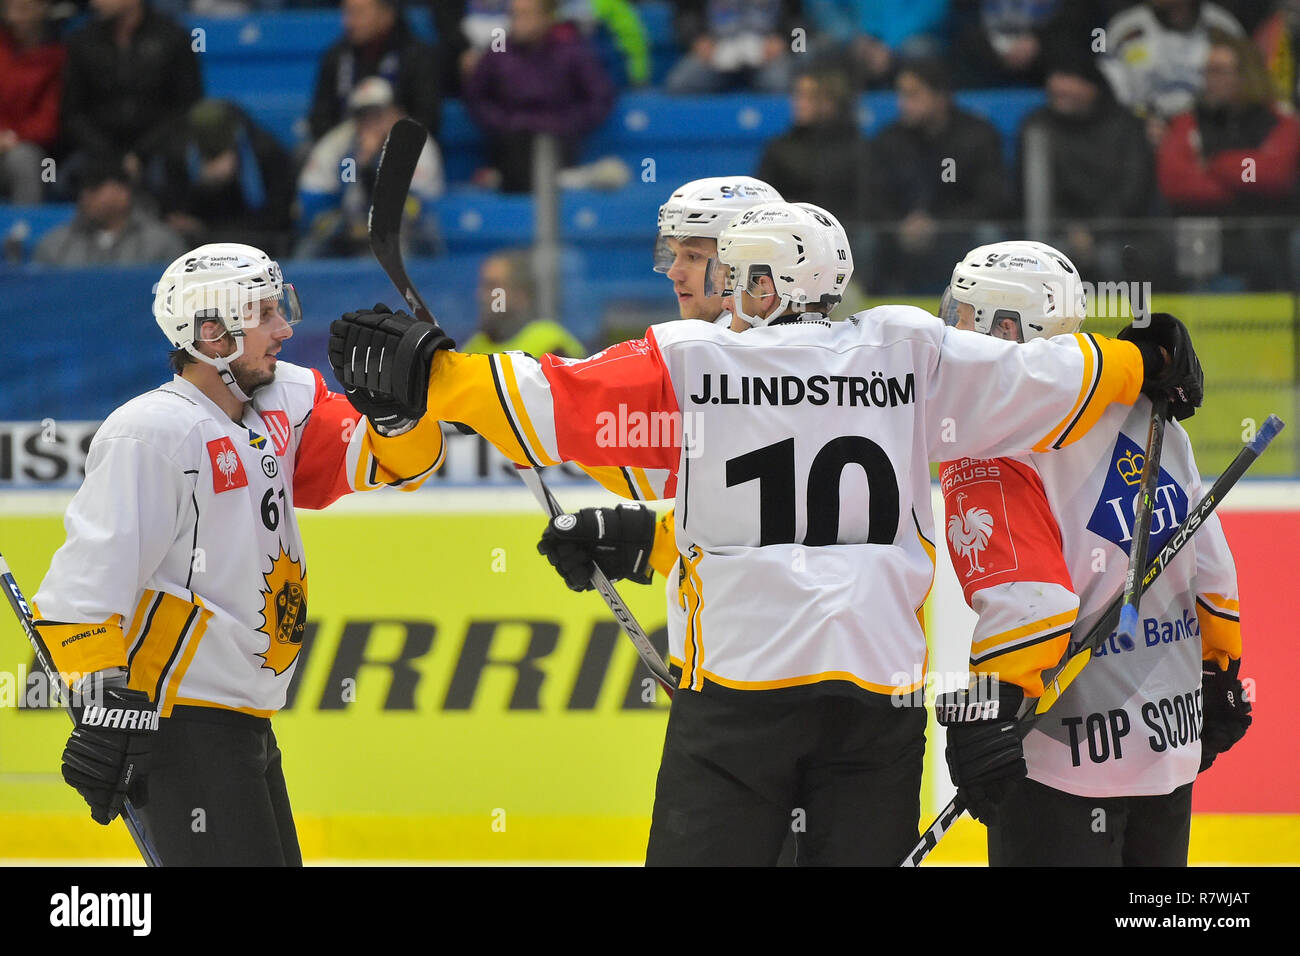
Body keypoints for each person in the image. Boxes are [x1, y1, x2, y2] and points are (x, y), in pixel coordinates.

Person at [327, 202, 1206, 865]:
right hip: (878, 702)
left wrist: (434, 373)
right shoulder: (908, 350)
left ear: (766, 284)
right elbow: (1052, 375)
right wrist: (1149, 356)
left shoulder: (693, 360)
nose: (726, 294)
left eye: (738, 276)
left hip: (740, 699)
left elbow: (547, 397)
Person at [30, 243, 446, 865]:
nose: (285, 328)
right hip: (178, 721)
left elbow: (394, 467)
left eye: (283, 308)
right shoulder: (153, 432)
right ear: (210, 332)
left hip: (242, 717)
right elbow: (83, 588)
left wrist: (400, 414)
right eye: (264, 314)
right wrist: (104, 704)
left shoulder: (279, 403)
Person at [936, 240, 1250, 865]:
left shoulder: (990, 437)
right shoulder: (1150, 411)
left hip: (1061, 759)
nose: (952, 334)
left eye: (965, 316)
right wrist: (1223, 672)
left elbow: (1033, 605)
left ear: (1007, 327)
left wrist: (987, 708)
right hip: (1166, 745)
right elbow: (1212, 570)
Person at [1156, 29, 1300, 288]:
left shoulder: (1281, 121)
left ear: (1246, 75)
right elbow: (1177, 184)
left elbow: (1273, 175)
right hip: (1202, 233)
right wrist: (1242, 184)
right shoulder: (1187, 122)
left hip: (1265, 236)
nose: (1210, 80)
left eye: (1220, 71)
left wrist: (1215, 165)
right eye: (1207, 71)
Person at [867, 58, 1006, 293]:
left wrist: (941, 225)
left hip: (959, 233)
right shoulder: (889, 139)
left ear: (940, 97)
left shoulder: (977, 135)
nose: (903, 104)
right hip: (900, 235)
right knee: (866, 240)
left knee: (988, 235)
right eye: (901, 95)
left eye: (913, 95)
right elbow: (872, 198)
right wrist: (902, 224)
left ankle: (985, 302)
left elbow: (994, 199)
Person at [462, 0, 615, 193]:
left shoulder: (571, 50)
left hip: (557, 139)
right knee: (516, 154)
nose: (518, 22)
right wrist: (503, 122)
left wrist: (568, 122)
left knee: (546, 149)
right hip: (510, 140)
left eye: (526, 15)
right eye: (514, 14)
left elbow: (599, 96)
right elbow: (476, 97)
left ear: (546, 17)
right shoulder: (499, 49)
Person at [297, 77, 444, 259]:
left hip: (403, 234)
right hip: (347, 232)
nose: (370, 121)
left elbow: (416, 206)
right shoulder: (340, 145)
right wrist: (358, 163)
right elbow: (316, 202)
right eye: (363, 114)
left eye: (377, 113)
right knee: (308, 249)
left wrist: (374, 167)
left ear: (394, 112)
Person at [60, 0, 201, 180]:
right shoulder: (82, 42)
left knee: (171, 168)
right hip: (98, 150)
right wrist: (111, 156)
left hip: (157, 149)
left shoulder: (173, 38)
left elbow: (186, 107)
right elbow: (72, 113)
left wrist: (140, 154)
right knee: (68, 179)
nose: (95, 2)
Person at [146, 99, 295, 256]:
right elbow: (173, 212)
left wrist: (211, 228)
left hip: (258, 241)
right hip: (196, 245)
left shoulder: (266, 153)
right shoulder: (178, 156)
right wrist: (204, 188)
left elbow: (279, 217)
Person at [1098, 0, 1245, 148]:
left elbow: (1247, 89)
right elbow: (1108, 95)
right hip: (1140, 134)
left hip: (1211, 132)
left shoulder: (1223, 26)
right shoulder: (1125, 28)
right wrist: (1138, 125)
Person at [308, 0, 440, 143]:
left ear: (387, 15)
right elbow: (319, 119)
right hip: (347, 150)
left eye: (358, 13)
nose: (348, 22)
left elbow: (429, 120)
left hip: (402, 147)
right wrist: (356, 135)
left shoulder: (417, 56)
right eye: (347, 13)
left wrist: (391, 127)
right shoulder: (335, 56)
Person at [33, 161, 187, 266]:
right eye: (82, 189)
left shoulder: (161, 243)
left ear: (123, 193)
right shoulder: (55, 245)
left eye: (94, 188)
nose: (85, 195)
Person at [463, 249, 586, 356]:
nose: (480, 295)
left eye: (493, 286)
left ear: (521, 294)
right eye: (483, 286)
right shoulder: (473, 347)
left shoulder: (551, 343)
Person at [0, 0, 65, 204]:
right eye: (9, 10)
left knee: (26, 161)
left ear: (42, 10)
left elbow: (50, 121)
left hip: (45, 155)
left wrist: (11, 139)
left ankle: (27, 228)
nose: (14, 18)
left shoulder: (59, 57)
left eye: (23, 10)